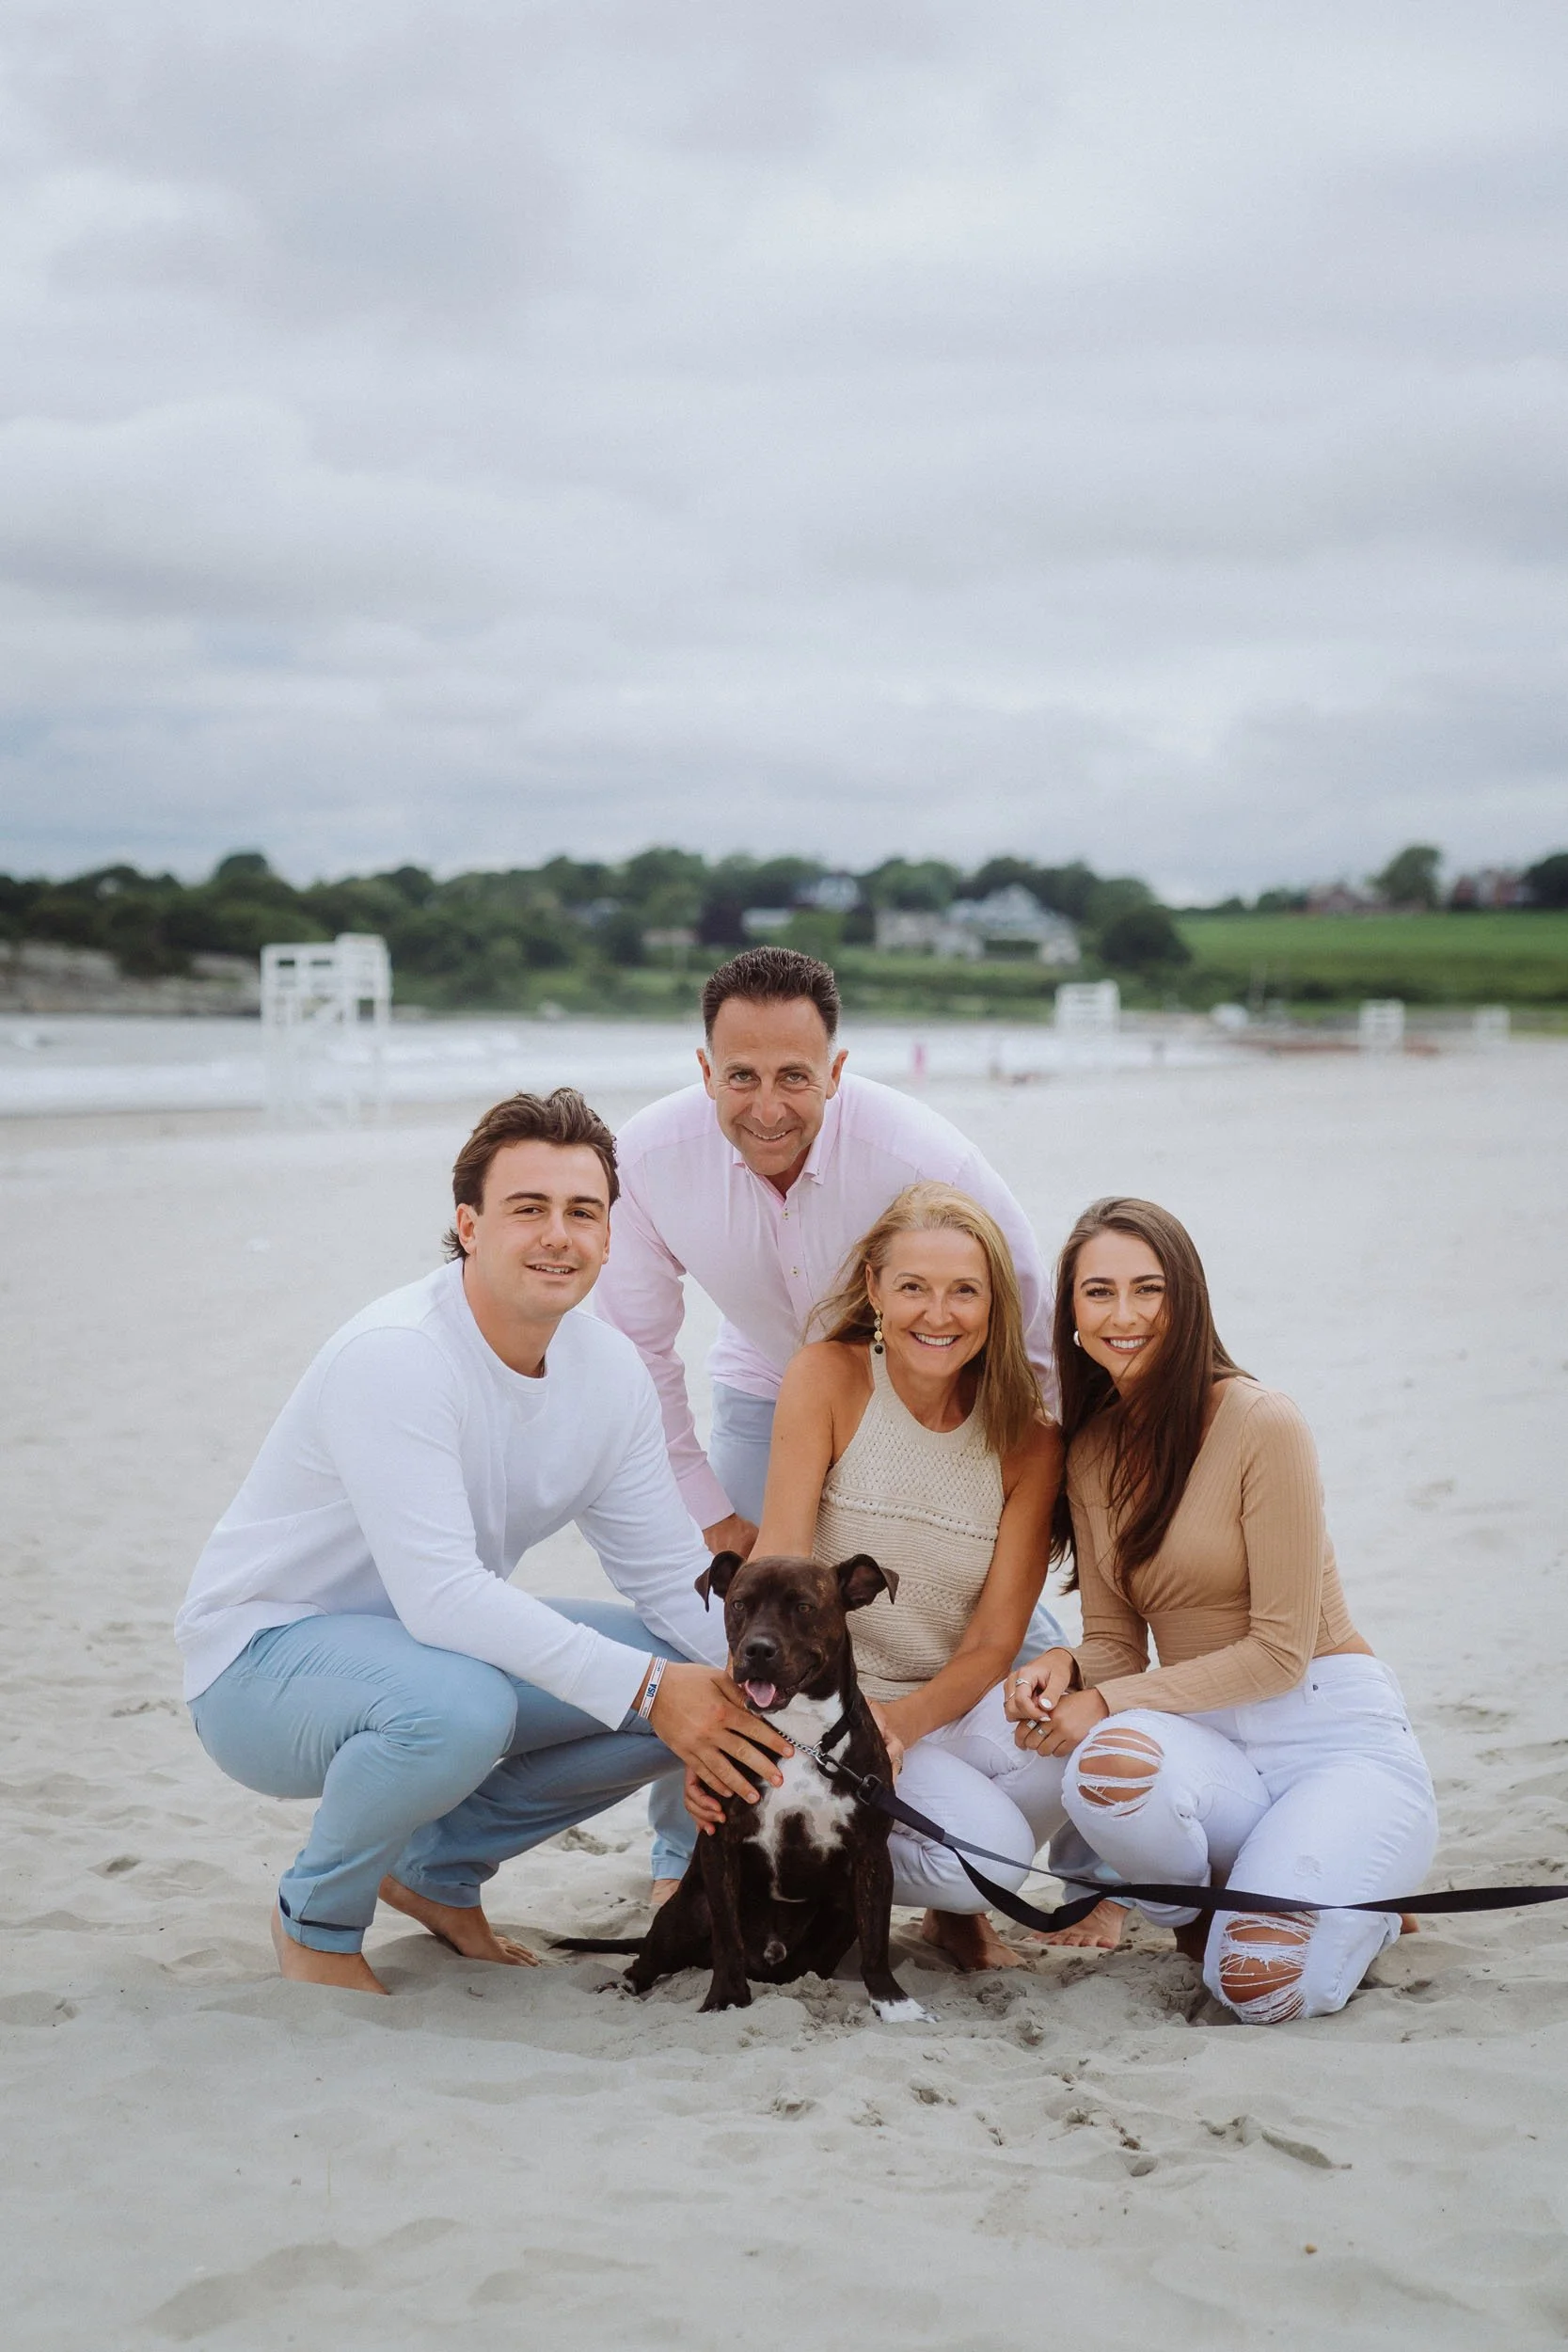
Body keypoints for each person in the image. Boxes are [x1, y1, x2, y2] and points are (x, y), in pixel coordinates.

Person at [175, 1089, 789, 1996]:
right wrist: (657, 1690)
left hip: (429, 1652)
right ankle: (317, 1918)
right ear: (468, 1224)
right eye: (527, 1209)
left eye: (583, 1212)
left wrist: (766, 1709)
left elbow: (670, 1575)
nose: (558, 1235)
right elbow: (442, 1596)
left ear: (609, 1235)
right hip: (262, 1666)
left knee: (704, 1677)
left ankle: (433, 1869)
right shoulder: (398, 1355)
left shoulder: (607, 1372)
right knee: (475, 1707)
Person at [593, 944, 1066, 1896]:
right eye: (741, 1076)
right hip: (766, 1385)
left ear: (837, 1073)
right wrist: (701, 1503)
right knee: (730, 1624)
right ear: (703, 1071)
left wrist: (1027, 1485)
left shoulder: (921, 1154)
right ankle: (685, 1854)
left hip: (924, 1382)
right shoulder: (645, 1158)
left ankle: (1091, 1864)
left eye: (794, 1077)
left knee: (1007, 1626)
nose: (767, 1104)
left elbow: (1035, 1323)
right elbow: (638, 1348)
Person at [1005, 1198, 1438, 2024]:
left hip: (1328, 1737)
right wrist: (1064, 1667)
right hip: (1214, 1745)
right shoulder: (1091, 1448)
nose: (1123, 1316)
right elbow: (1114, 1644)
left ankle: (1361, 1909)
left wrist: (1102, 1700)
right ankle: (1198, 1909)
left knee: (1255, 1987)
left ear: (1188, 1299)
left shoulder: (1260, 1422)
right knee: (1105, 1767)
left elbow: (1279, 1652)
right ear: (1070, 1311)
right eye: (1097, 1293)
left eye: (1148, 1290)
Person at [686, 1182, 1071, 1972]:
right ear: (874, 1290)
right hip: (831, 1707)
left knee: (1088, 1761)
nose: (939, 1314)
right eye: (913, 1288)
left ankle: (943, 1909)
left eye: (964, 1291)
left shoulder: (1030, 1437)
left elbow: (997, 1639)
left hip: (946, 1703)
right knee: (991, 1858)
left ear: (995, 1303)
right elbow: (778, 1567)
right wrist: (741, 1734)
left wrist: (900, 1726)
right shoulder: (827, 1376)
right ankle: (867, 1882)